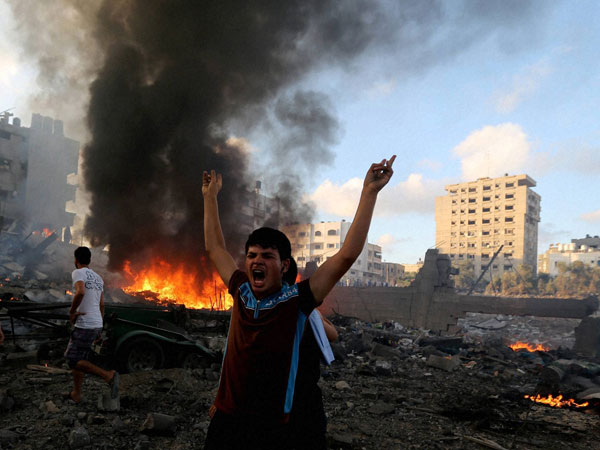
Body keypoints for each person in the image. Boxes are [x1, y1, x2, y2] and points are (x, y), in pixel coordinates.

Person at [202, 156, 395, 450]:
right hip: (229, 417)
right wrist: (210, 198)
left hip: (273, 424)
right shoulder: (241, 290)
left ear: (284, 265)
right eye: (252, 255)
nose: (257, 261)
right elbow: (215, 247)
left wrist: (368, 193)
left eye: (267, 256)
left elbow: (345, 256)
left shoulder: (297, 300)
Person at [64, 246, 119, 403]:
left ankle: (108, 375)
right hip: (96, 323)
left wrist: (72, 311)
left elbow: (80, 292)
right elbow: (102, 304)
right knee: (79, 357)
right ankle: (77, 394)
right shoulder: (98, 278)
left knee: (72, 359)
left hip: (85, 324)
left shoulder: (78, 272)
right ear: (90, 260)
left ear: (76, 260)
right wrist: (99, 325)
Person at [288, 308, 338, 450]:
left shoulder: (274, 308)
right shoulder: (310, 313)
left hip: (287, 393)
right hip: (306, 392)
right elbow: (333, 334)